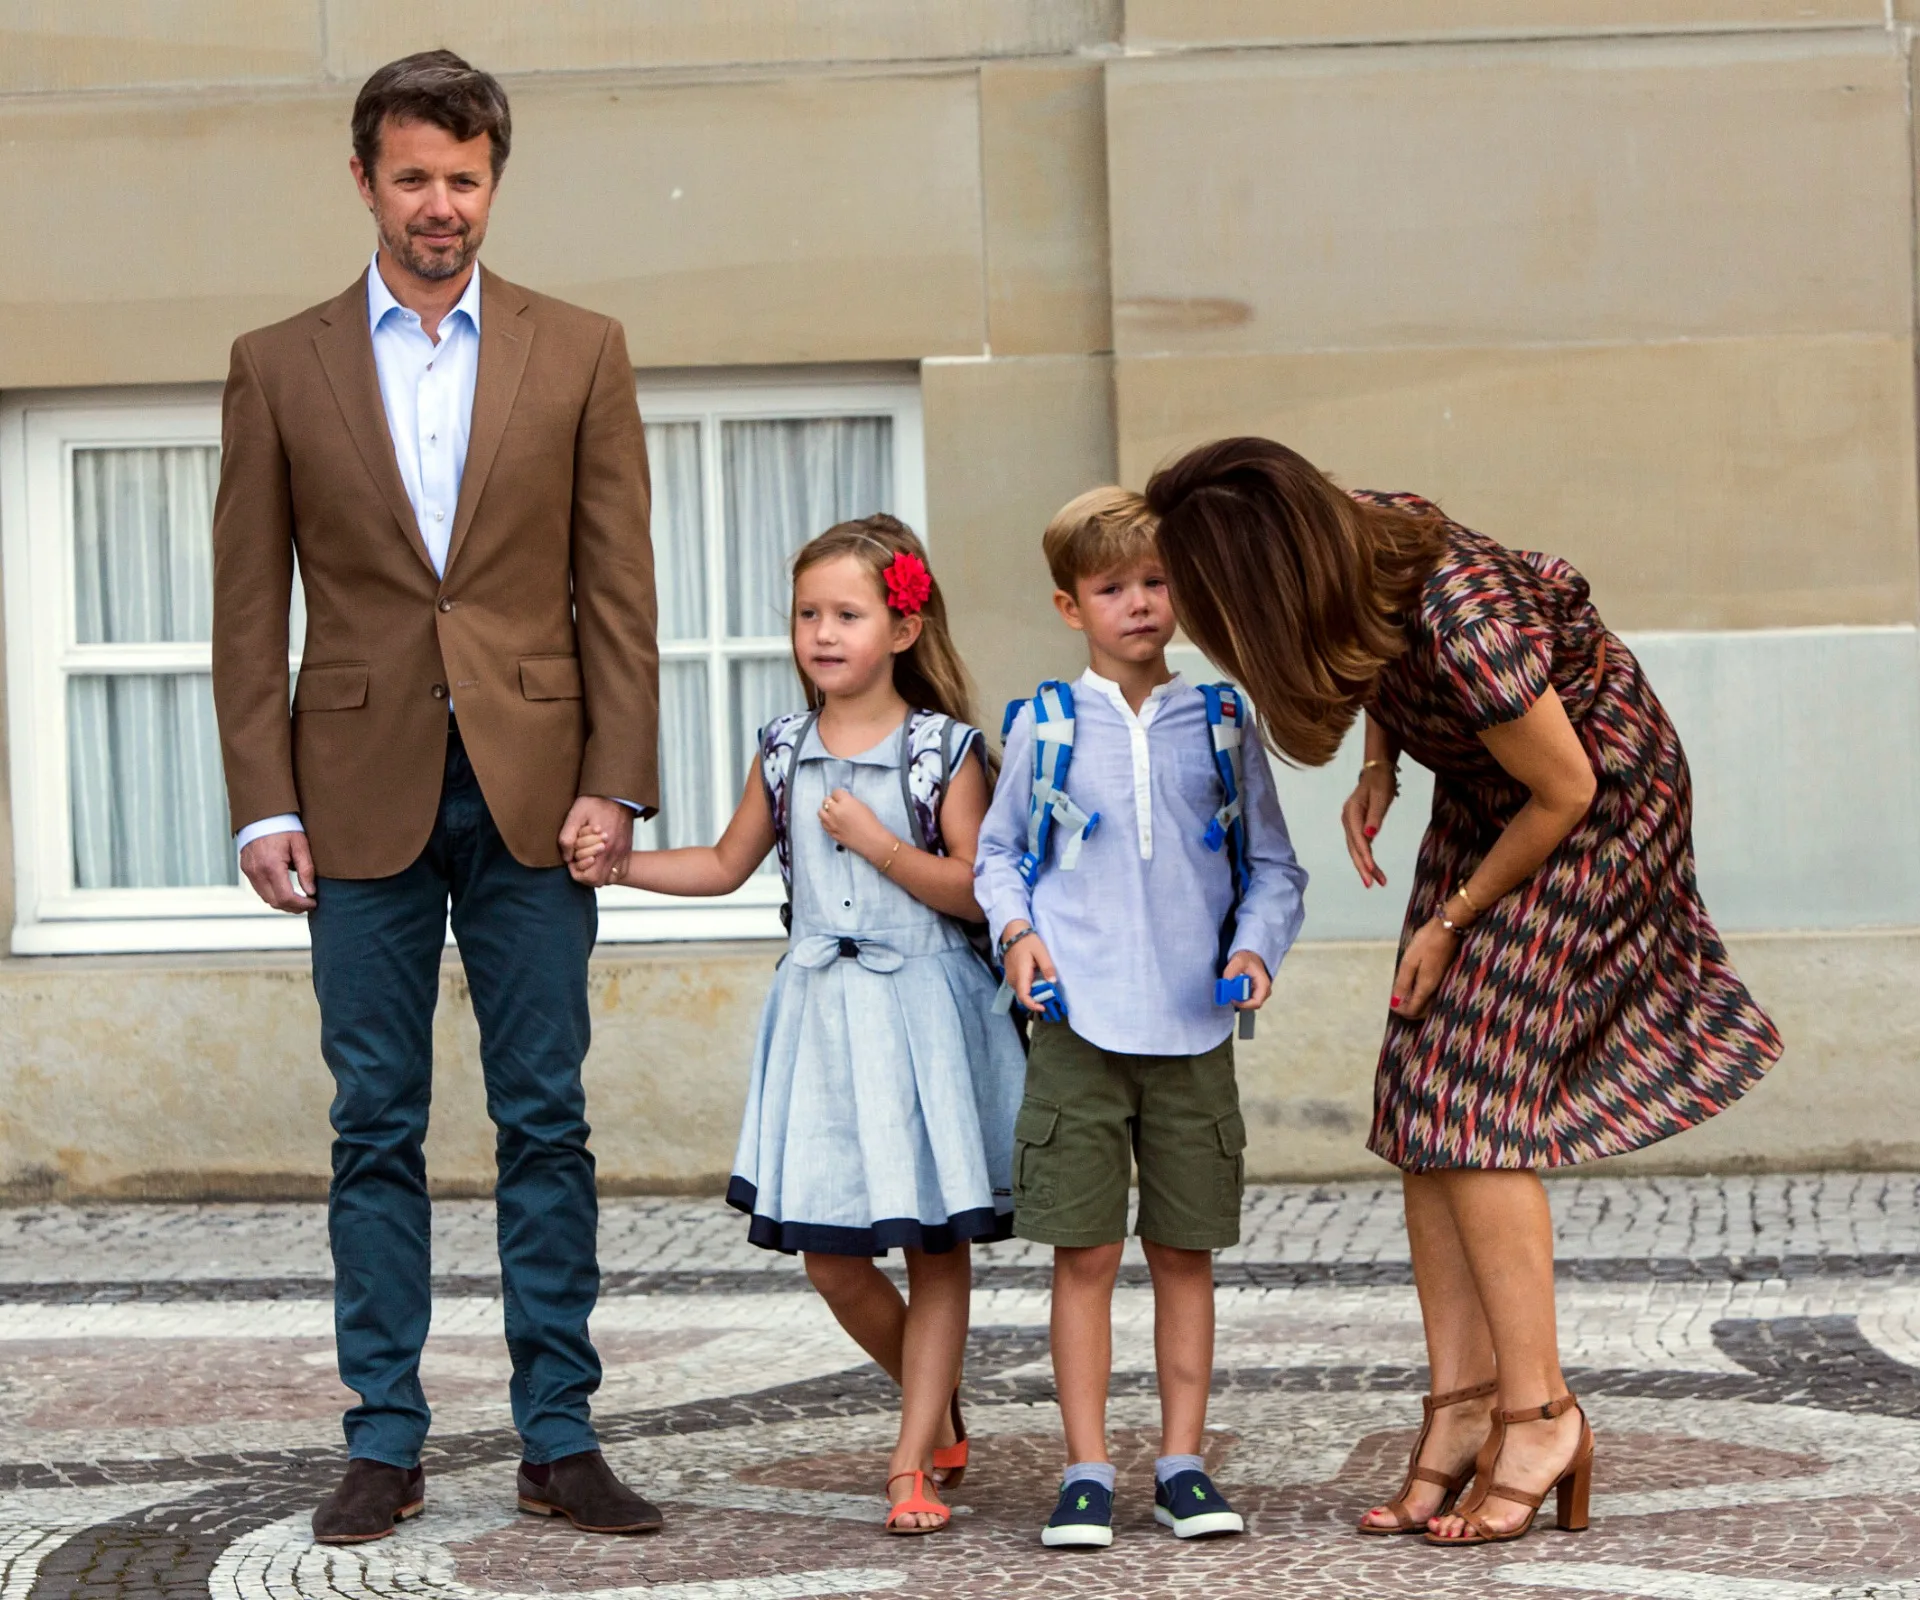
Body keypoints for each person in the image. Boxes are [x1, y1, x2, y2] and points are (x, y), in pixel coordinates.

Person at [1147, 438, 1782, 1548]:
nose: (1191, 621)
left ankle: (1540, 1414)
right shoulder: (1361, 540)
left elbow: (1566, 782)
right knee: (1418, 1092)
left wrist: (1453, 920)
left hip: (1594, 807)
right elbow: (1372, 644)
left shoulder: (1467, 620)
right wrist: (1384, 765)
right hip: (1494, 796)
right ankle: (1462, 1405)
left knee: (1479, 1100)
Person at [211, 51, 664, 1543]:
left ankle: (558, 1434)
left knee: (546, 1117)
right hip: (354, 792)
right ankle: (385, 1441)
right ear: (366, 182)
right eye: (413, 177)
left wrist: (618, 780)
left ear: (493, 184)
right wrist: (261, 803)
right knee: (374, 1124)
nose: (440, 206)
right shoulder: (279, 363)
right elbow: (245, 610)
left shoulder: (581, 347)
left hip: (540, 794)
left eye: (464, 179)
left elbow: (619, 591)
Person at [586, 516, 1025, 1536]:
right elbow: (727, 862)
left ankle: (910, 1459)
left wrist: (880, 846)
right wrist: (621, 867)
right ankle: (936, 1390)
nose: (823, 633)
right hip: (823, 1017)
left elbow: (977, 891)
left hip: (923, 1014)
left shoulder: (940, 751)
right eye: (808, 614)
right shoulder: (784, 749)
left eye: (848, 613)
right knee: (832, 1253)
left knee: (933, 1243)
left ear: (903, 628)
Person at [973, 487, 1308, 1550]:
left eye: (1156, 583)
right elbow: (997, 857)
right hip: (1077, 1031)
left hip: (1194, 1035)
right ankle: (1084, 1468)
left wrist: (1255, 946)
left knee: (1184, 1255)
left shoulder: (1222, 724)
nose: (1139, 604)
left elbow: (1275, 866)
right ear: (1071, 606)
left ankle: (1181, 1462)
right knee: (1082, 1256)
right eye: (1113, 587)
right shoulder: (1042, 726)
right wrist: (1019, 940)